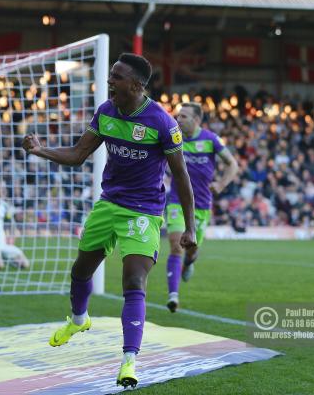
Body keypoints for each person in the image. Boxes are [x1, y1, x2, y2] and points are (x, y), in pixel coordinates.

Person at [22, 53, 197, 388]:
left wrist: (189, 226)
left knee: (133, 281)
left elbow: (182, 177)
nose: (109, 82)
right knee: (80, 271)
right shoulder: (105, 111)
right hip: (109, 205)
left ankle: (129, 362)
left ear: (136, 85)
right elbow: (77, 154)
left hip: (144, 212)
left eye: (116, 77)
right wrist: (41, 150)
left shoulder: (162, 123)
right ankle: (78, 320)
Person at [164, 102, 238, 312]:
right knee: (176, 244)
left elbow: (232, 164)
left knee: (191, 248)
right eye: (178, 116)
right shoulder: (173, 138)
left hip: (202, 204)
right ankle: (173, 295)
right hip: (178, 201)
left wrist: (221, 184)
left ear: (197, 120)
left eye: (184, 117)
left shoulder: (210, 139)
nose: (179, 120)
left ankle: (189, 262)